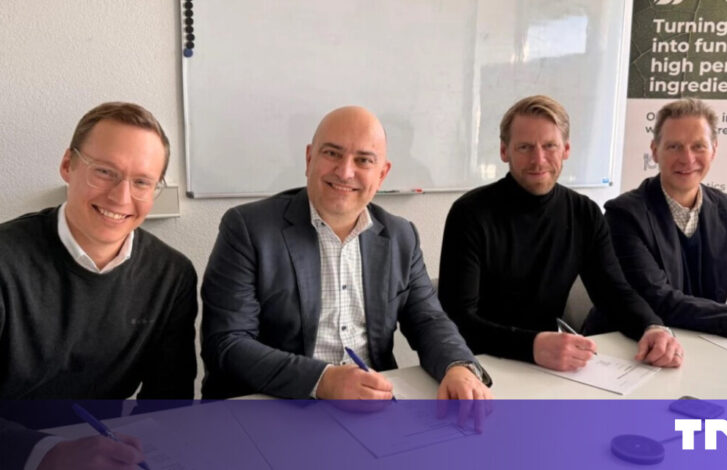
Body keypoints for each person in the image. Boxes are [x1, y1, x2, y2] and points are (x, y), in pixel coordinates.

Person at [201, 106, 491, 405]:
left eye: (363, 160)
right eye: (332, 154)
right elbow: (227, 342)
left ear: (382, 174)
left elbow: (428, 320)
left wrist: (458, 366)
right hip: (277, 403)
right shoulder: (248, 229)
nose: (345, 171)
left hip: (370, 404)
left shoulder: (400, 236)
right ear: (309, 158)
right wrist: (322, 380)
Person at [0, 102, 197, 469]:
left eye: (141, 182)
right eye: (104, 172)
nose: (121, 197)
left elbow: (168, 401)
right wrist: (47, 453)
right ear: (67, 166)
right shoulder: (5, 260)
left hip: (104, 451)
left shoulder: (172, 275)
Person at [438, 95, 683, 372]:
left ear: (566, 149)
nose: (538, 159)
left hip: (549, 363)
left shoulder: (584, 213)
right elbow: (456, 319)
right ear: (504, 151)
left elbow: (614, 292)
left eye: (550, 146)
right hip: (479, 364)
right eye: (525, 147)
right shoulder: (470, 213)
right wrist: (531, 346)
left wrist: (652, 327)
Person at [589, 98, 727, 337]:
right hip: (626, 347)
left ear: (714, 150)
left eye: (698, 146)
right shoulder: (624, 215)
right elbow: (659, 302)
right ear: (655, 151)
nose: (687, 159)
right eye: (674, 146)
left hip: (701, 345)